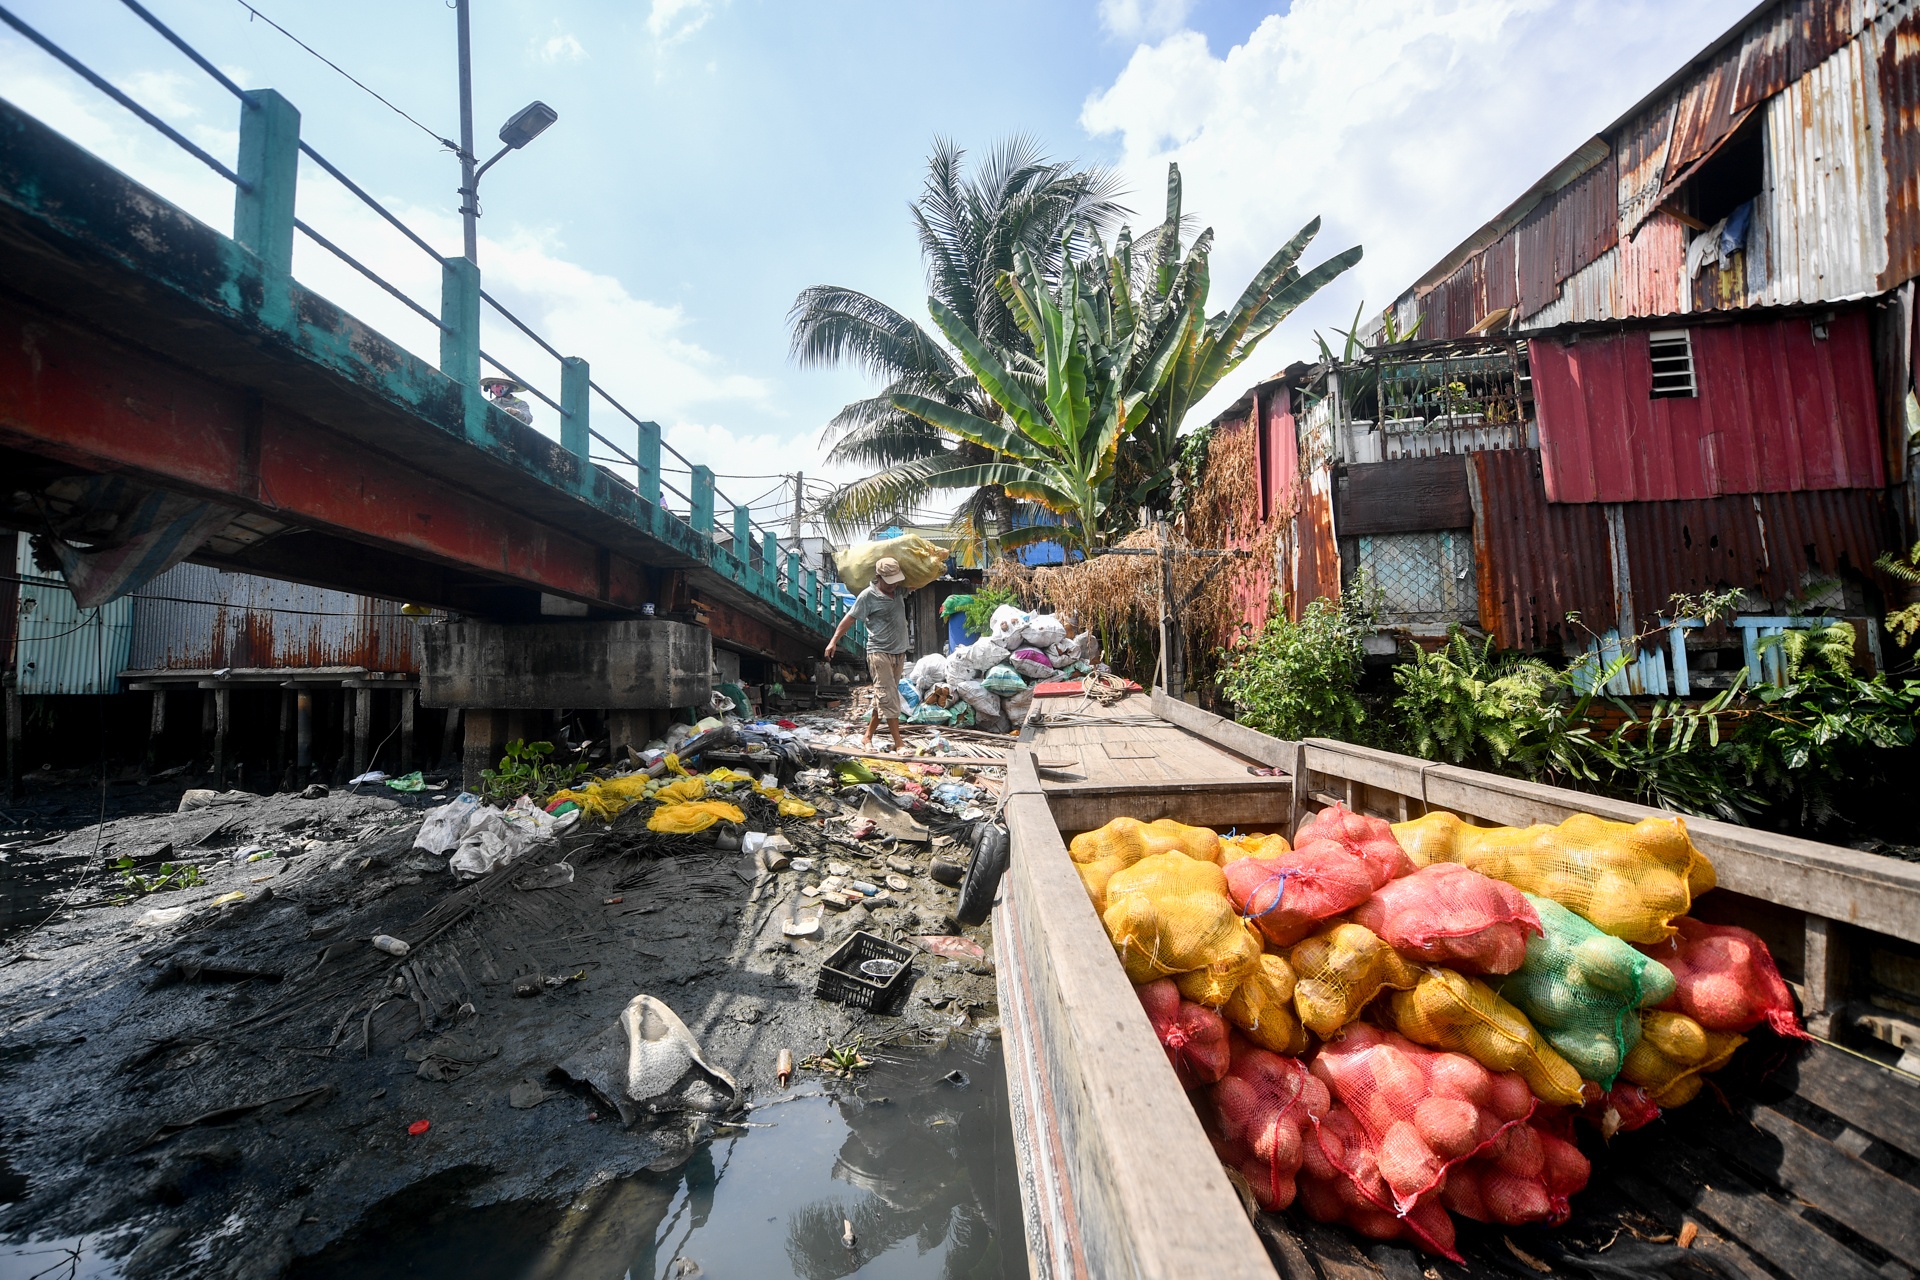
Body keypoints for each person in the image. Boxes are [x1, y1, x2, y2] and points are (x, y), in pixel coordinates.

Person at [825, 556, 910, 751]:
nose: (893, 585)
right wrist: (833, 641)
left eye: (896, 580)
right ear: (878, 577)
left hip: (899, 652)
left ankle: (867, 737)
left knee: (883, 697)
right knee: (889, 697)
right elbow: (849, 619)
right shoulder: (867, 596)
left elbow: (920, 581)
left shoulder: (899, 591)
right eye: (889, 581)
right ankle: (899, 744)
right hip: (879, 653)